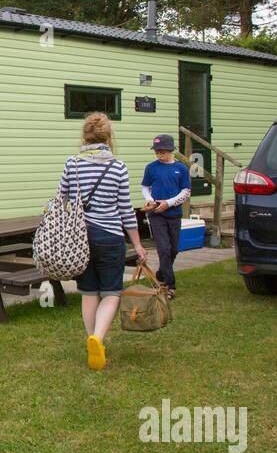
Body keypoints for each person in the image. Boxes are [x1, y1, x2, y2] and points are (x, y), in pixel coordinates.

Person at [56, 113, 148, 371]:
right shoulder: (118, 167)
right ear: (108, 137)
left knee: (88, 292)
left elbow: (60, 198)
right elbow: (126, 210)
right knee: (111, 292)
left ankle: (91, 340)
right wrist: (138, 244)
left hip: (80, 238)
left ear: (84, 136)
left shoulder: (72, 164)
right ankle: (98, 337)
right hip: (110, 237)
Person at [141, 134, 192, 299]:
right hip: (156, 214)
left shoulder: (182, 169)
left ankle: (161, 274)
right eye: (157, 152)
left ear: (171, 151)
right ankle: (170, 286)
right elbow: (145, 187)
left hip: (174, 214)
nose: (159, 155)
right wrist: (150, 200)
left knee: (173, 249)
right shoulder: (151, 168)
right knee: (163, 249)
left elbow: (186, 191)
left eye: (162, 152)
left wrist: (169, 203)